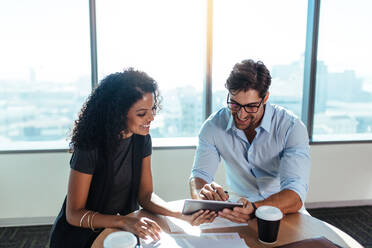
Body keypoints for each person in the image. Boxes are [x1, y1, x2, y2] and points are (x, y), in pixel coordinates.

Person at [50, 68, 216, 248]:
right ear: (118, 113)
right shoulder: (90, 146)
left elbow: (145, 195)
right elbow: (74, 214)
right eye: (141, 113)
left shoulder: (142, 139)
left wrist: (181, 215)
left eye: (152, 109)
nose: (152, 118)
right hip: (82, 233)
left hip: (122, 225)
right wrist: (123, 222)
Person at [189, 59, 311, 223]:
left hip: (282, 208)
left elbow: (295, 192)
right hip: (236, 208)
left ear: (265, 98)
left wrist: (256, 208)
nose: (241, 115)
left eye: (251, 106)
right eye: (235, 104)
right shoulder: (212, 127)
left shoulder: (291, 127)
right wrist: (202, 195)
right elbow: (199, 176)